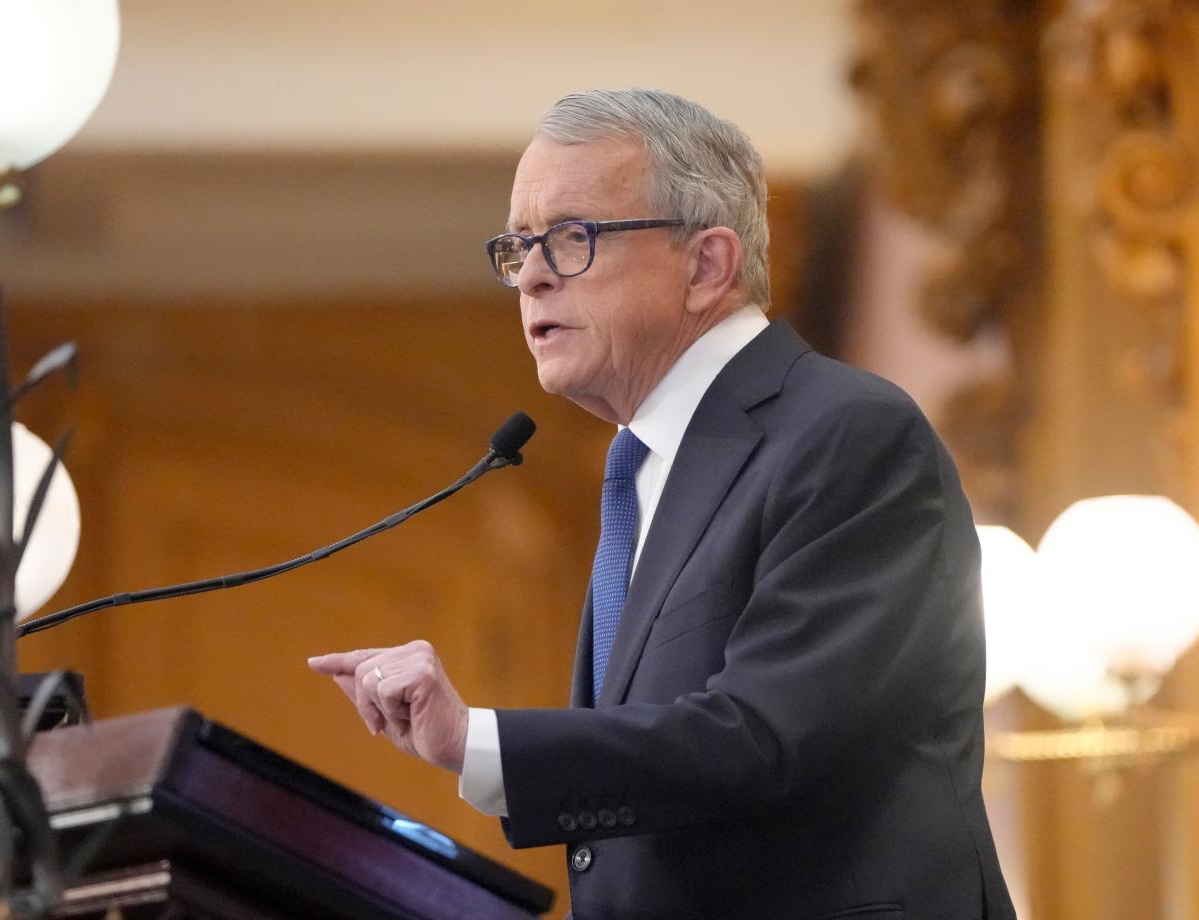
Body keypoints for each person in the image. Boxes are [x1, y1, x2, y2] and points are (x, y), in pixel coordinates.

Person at [309, 89, 1016, 920]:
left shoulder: (846, 434)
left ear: (707, 265)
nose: (531, 275)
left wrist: (480, 742)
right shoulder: (644, 468)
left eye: (571, 239)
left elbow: (759, 738)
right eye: (519, 246)